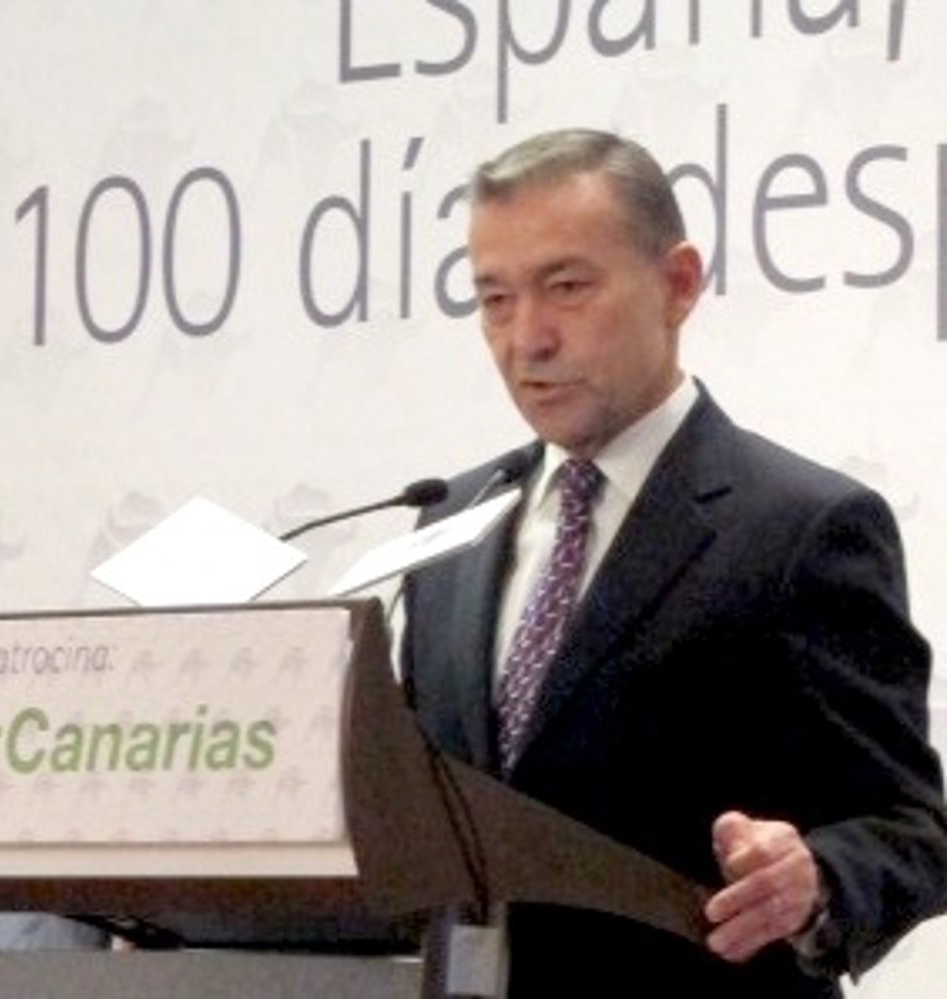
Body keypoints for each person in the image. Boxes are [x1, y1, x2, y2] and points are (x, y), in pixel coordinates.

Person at [400, 129, 947, 997]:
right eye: (495, 299)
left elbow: (913, 828)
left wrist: (816, 880)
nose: (527, 338)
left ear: (679, 284)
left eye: (567, 287)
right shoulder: (450, 522)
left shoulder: (804, 526)